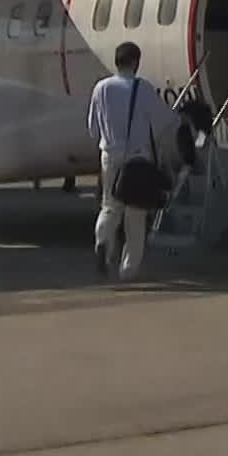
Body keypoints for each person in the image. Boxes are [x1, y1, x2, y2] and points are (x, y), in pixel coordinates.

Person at [87, 41, 181, 280]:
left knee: (110, 206)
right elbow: (166, 121)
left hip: (109, 156)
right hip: (138, 158)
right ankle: (128, 270)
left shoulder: (101, 88)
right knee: (135, 216)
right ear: (135, 62)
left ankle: (103, 242)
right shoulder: (143, 88)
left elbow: (93, 129)